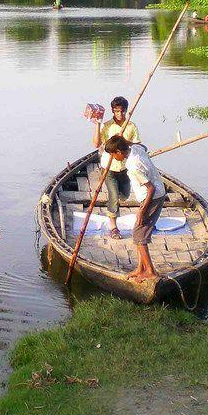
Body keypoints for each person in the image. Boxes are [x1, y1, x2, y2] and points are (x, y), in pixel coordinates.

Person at [104, 136, 166, 281]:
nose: (113, 157)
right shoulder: (137, 149)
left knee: (139, 235)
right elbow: (142, 146)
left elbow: (150, 188)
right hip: (158, 192)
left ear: (119, 151)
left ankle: (150, 271)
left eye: (113, 154)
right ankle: (140, 268)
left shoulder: (133, 165)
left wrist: (142, 211)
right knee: (139, 234)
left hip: (152, 197)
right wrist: (126, 142)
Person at [91, 96, 140, 237]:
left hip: (126, 167)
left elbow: (137, 144)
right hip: (109, 167)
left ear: (125, 111)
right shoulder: (107, 126)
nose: (119, 114)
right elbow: (96, 144)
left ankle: (116, 201)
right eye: (116, 111)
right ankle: (114, 228)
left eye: (122, 111)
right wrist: (97, 124)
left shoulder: (131, 126)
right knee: (113, 197)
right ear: (113, 111)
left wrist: (123, 141)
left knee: (124, 195)